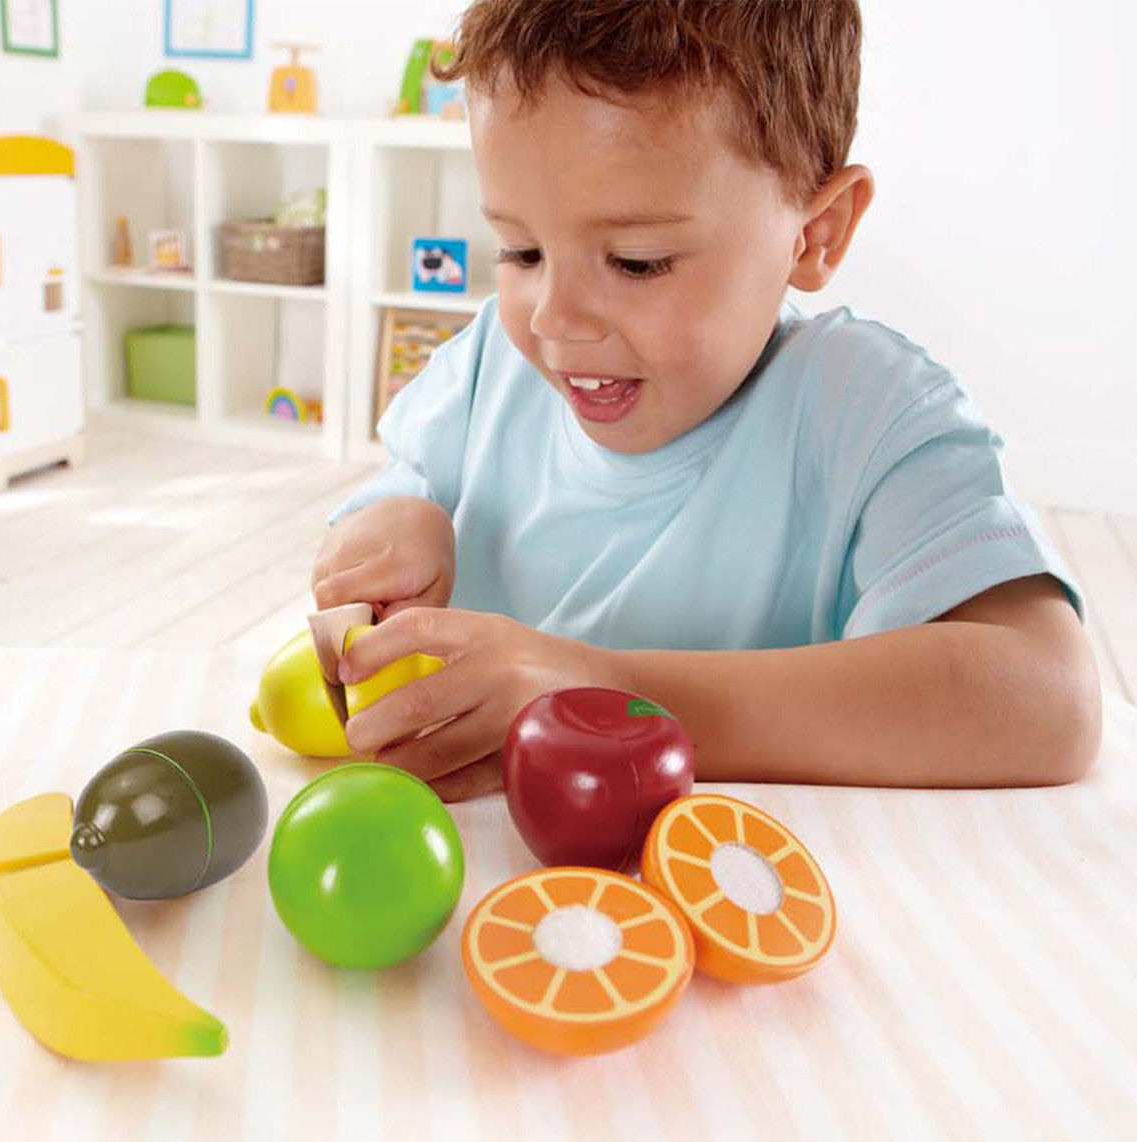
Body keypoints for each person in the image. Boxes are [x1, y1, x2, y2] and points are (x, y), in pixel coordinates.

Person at [312, 0, 1100, 802]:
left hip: (731, 864)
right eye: (522, 251)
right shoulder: (488, 367)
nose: (554, 318)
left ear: (816, 232)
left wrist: (611, 696)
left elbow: (1049, 698)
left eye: (637, 261)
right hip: (484, 867)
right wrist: (392, 529)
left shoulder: (867, 411)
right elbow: (386, 506)